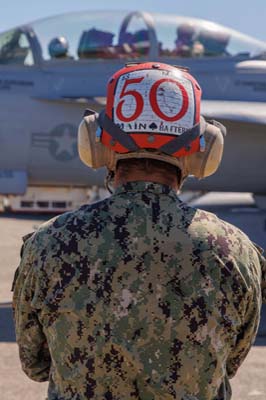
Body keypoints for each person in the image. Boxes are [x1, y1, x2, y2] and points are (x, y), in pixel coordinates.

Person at [12, 62, 265, 400]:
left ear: (95, 142)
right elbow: (229, 361)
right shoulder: (236, 251)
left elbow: (35, 363)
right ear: (204, 149)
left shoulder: (49, 243)